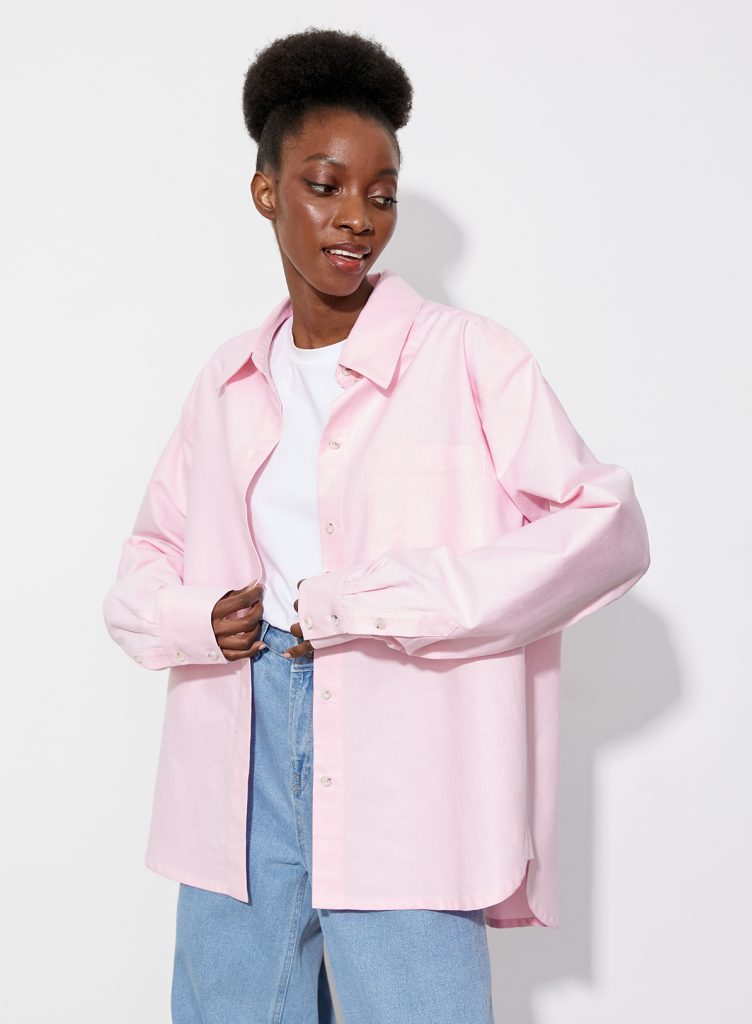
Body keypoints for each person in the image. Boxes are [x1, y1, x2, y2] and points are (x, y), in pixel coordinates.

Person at [102, 26, 651, 1024]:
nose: (357, 217)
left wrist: (388, 600)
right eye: (325, 186)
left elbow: (604, 525)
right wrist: (194, 619)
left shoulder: (470, 358)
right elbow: (144, 561)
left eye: (382, 194)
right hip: (240, 755)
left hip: (406, 761)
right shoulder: (227, 381)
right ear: (266, 190)